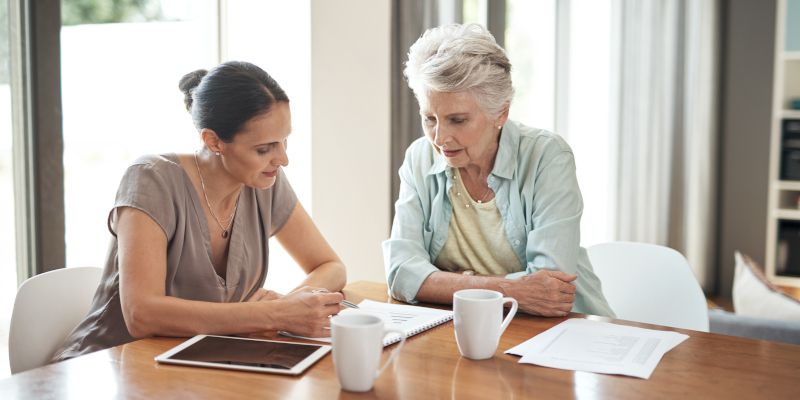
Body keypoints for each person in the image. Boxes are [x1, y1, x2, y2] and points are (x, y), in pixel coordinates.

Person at [52, 61, 346, 361]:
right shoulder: (151, 180)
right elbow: (141, 314)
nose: (282, 159)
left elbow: (331, 266)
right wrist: (271, 315)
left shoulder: (264, 183)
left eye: (284, 141)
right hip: (105, 367)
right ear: (213, 140)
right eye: (264, 148)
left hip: (195, 368)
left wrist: (290, 305)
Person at [383, 24, 614, 317]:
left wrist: (444, 284)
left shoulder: (547, 157)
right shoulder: (420, 157)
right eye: (429, 119)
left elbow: (549, 288)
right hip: (465, 327)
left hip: (559, 331)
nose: (440, 138)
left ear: (501, 112)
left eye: (457, 120)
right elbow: (401, 273)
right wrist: (511, 290)